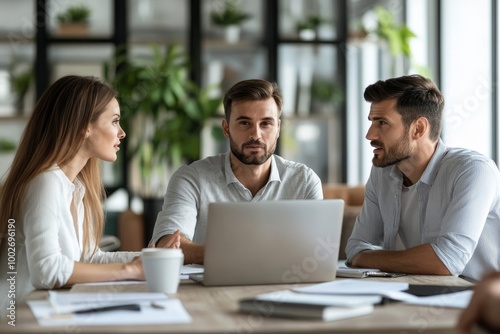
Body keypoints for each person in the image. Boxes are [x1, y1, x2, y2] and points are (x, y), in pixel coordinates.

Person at [0, 75, 180, 318]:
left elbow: (88, 258)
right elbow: (46, 271)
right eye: (115, 121)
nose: (122, 133)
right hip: (19, 319)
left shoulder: (74, 188)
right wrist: (129, 270)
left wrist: (150, 258)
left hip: (49, 313)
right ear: (84, 125)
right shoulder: (45, 183)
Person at [345, 74, 500, 281]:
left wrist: (368, 258)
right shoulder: (383, 171)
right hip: (407, 293)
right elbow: (355, 247)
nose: (370, 135)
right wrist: (366, 256)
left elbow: (446, 261)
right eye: (372, 121)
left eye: (382, 123)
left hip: (474, 303)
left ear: (418, 129)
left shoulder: (473, 171)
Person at [151, 79, 323, 264]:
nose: (256, 135)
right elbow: (166, 245)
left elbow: (319, 251)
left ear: (278, 128)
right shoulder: (192, 179)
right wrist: (235, 256)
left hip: (284, 285)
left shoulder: (304, 181)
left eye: (266, 124)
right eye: (244, 123)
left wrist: (228, 255)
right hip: (209, 290)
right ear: (226, 128)